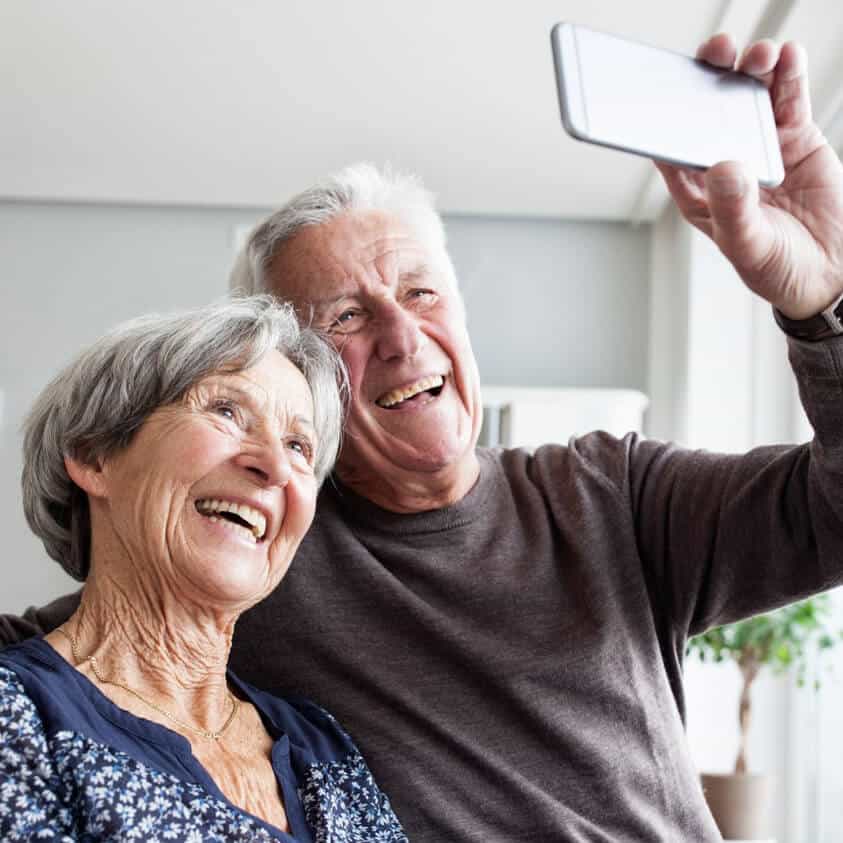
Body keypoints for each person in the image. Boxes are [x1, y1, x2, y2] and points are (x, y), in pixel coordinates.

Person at [5, 33, 843, 842]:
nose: (403, 336)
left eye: (422, 292)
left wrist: (823, 303)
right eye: (346, 316)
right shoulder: (261, 533)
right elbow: (91, 645)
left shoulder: (609, 491)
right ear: (300, 371)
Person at [0, 297, 408, 842]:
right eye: (226, 411)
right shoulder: (19, 713)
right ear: (96, 457)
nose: (274, 466)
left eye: (298, 445)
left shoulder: (319, 741)